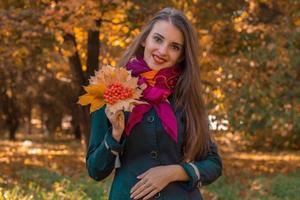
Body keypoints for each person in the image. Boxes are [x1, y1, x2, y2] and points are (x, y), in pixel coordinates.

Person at [86, 7, 222, 200]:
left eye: (174, 46)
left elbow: (213, 163)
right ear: (144, 39)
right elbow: (95, 170)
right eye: (158, 39)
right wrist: (115, 134)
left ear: (182, 55)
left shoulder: (185, 96)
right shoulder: (111, 89)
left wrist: (173, 172)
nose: (162, 51)